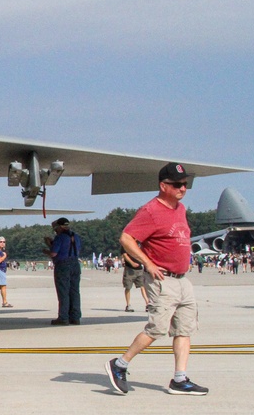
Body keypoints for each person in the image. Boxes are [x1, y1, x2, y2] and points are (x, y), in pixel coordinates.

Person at [106, 163, 209, 396]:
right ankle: (120, 364)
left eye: (185, 184)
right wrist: (148, 263)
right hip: (163, 280)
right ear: (164, 186)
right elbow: (127, 238)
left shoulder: (180, 209)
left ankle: (180, 379)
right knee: (156, 329)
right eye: (177, 184)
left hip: (182, 279)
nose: (183, 188)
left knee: (184, 329)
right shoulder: (151, 211)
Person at [44, 218, 82, 325]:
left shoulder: (60, 237)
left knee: (63, 291)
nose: (55, 231)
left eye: (55, 228)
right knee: (74, 291)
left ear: (60, 227)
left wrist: (47, 248)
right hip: (75, 263)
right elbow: (76, 250)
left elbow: (54, 253)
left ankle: (63, 317)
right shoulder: (76, 236)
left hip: (63, 265)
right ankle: (75, 317)